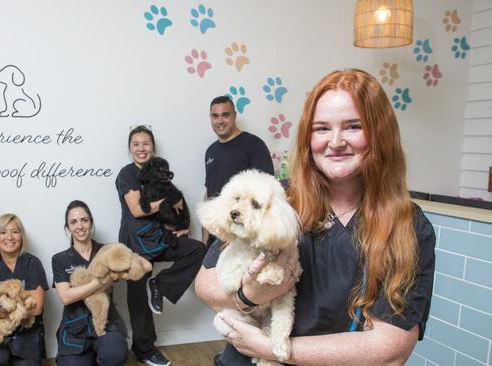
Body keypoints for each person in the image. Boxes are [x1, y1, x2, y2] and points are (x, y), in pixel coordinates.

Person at [195, 69, 436, 365]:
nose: (335, 142)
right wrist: (248, 296)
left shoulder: (408, 226)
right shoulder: (273, 200)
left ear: (379, 134)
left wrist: (271, 348)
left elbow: (390, 349)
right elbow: (204, 284)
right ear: (307, 137)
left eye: (353, 126)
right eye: (321, 128)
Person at [115, 126, 207, 366]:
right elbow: (137, 209)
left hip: (159, 237)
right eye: (136, 144)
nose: (141, 148)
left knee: (197, 250)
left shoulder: (160, 170)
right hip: (135, 242)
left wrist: (181, 226)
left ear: (153, 147)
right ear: (130, 148)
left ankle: (161, 285)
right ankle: (144, 350)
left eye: (146, 143)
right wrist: (169, 201)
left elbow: (177, 200)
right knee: (136, 297)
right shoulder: (126, 174)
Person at [52, 200, 143, 366]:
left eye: (84, 220)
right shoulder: (60, 259)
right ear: (68, 228)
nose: (80, 226)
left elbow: (140, 266)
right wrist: (99, 283)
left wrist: (137, 265)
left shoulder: (109, 250)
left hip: (106, 323)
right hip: (75, 328)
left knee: (114, 354)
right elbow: (66, 297)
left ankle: (102, 355)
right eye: (73, 222)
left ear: (91, 222)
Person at [203, 96, 275, 245]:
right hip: (217, 233)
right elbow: (209, 193)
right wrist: (205, 231)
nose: (220, 121)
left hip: (242, 234)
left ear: (234, 115)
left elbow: (267, 192)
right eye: (215, 116)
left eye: (225, 115)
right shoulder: (210, 151)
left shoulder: (253, 145)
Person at [0, 213, 48, 366]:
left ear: (21, 236)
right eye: (3, 232)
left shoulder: (33, 264)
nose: (9, 237)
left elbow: (36, 309)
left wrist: (0, 310)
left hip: (27, 336)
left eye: (15, 232)